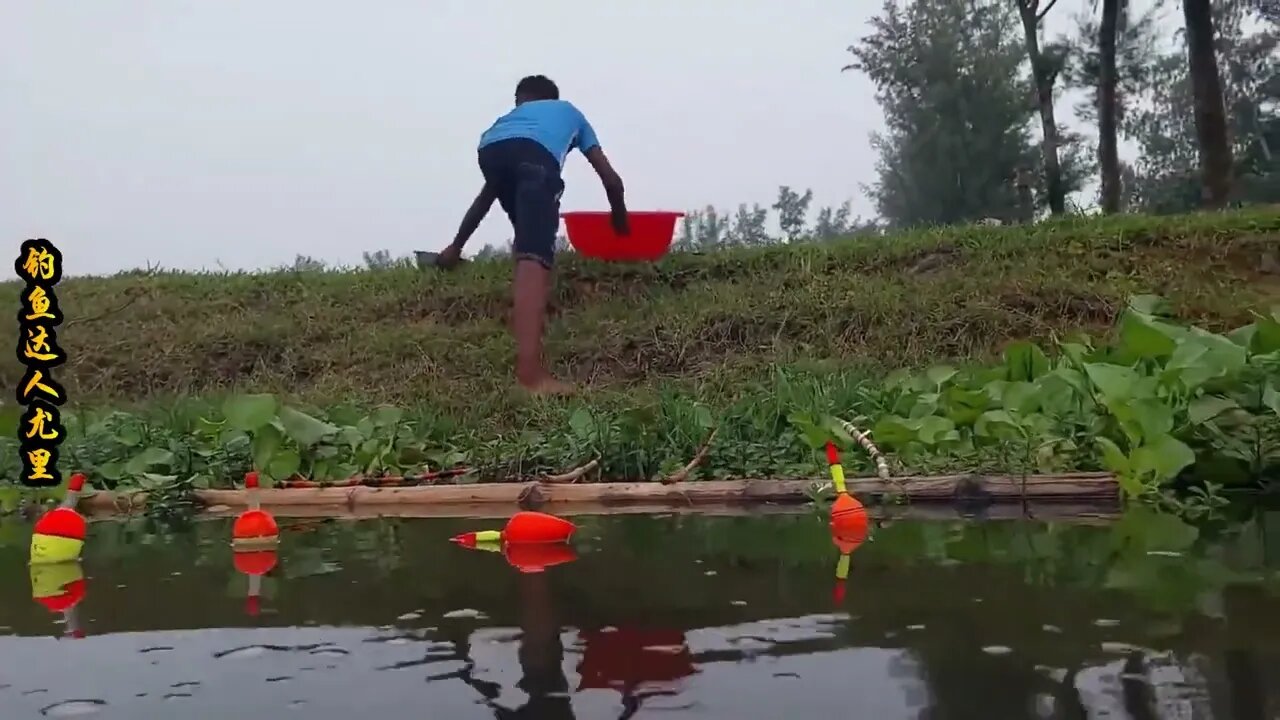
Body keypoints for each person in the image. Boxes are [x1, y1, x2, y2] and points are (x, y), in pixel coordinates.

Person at [436, 75, 629, 395]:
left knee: (525, 227)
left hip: (489, 148)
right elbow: (612, 181)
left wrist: (455, 247)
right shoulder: (569, 112)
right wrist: (621, 224)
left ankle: (525, 281)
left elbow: (486, 197)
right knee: (535, 251)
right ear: (552, 99)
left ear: (520, 102)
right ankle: (530, 377)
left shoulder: (509, 121)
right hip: (534, 157)